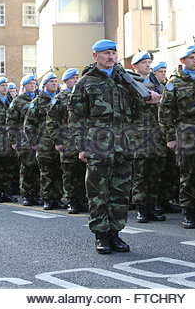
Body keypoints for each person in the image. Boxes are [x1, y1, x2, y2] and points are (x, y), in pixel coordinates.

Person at [67, 39, 160, 254]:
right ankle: (101, 234)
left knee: (120, 191)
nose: (111, 57)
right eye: (106, 53)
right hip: (97, 144)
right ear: (95, 56)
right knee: (99, 191)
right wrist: (81, 146)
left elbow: (139, 113)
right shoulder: (85, 83)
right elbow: (76, 119)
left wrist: (149, 102)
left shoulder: (126, 81)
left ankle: (115, 233)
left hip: (124, 143)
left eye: (113, 53)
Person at [159, 45, 195, 229]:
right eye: (190, 58)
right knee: (187, 174)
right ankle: (188, 213)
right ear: (182, 61)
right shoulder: (174, 82)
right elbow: (165, 112)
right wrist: (170, 137)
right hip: (185, 131)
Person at [130, 51, 166, 223]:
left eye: (149, 62)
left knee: (155, 173)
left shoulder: (156, 82)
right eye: (144, 62)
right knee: (140, 174)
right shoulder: (130, 83)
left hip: (156, 134)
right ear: (135, 66)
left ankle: (153, 206)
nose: (147, 65)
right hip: (139, 135)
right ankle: (141, 208)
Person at [47, 68, 87, 214]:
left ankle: (82, 200)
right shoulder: (59, 98)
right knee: (69, 173)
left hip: (83, 142)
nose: (76, 80)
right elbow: (52, 122)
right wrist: (58, 141)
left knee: (83, 173)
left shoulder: (83, 95)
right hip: (67, 143)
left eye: (77, 78)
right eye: (73, 78)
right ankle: (72, 201)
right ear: (65, 81)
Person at [24, 72, 63, 210]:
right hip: (43, 144)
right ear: (45, 84)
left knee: (58, 172)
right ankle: (47, 198)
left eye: (56, 81)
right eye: (51, 81)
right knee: (46, 173)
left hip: (59, 142)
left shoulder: (60, 99)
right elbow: (29, 125)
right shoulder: (37, 102)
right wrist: (33, 142)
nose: (54, 83)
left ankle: (57, 198)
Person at [7, 75, 41, 206]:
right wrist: (13, 140)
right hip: (23, 140)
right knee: (26, 168)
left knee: (37, 169)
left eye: (34, 83)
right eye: (30, 83)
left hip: (38, 138)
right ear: (24, 86)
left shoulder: (38, 99)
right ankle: (27, 195)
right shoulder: (17, 101)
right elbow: (11, 123)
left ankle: (37, 194)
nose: (33, 85)